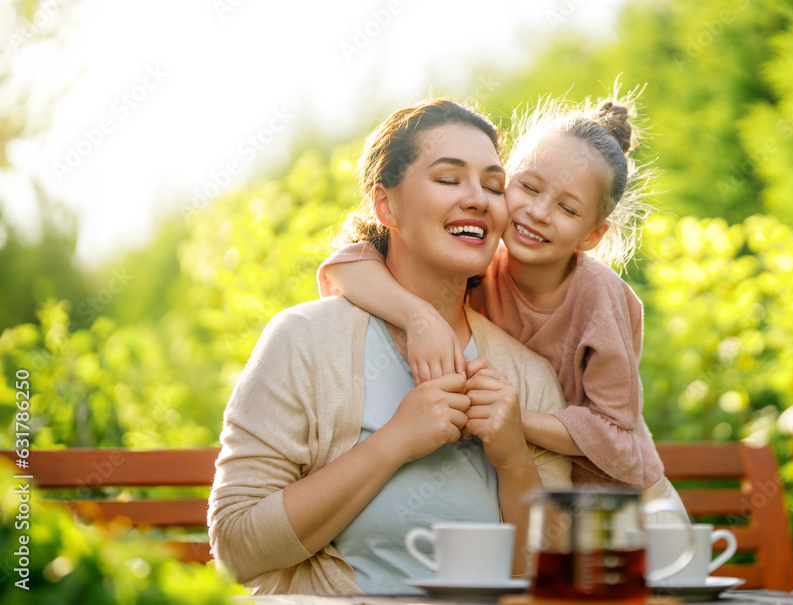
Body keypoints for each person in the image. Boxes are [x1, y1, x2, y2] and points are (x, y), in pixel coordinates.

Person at [208, 98, 571, 596]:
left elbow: (555, 581)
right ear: (386, 205)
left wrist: (512, 458)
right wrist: (395, 442)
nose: (479, 199)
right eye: (448, 179)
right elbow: (237, 549)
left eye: (493, 185)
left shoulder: (527, 375)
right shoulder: (305, 341)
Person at [318, 94, 689, 521]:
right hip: (544, 492)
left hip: (628, 508)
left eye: (567, 208)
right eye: (528, 187)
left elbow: (618, 440)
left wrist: (514, 420)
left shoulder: (598, 297)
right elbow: (346, 266)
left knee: (665, 591)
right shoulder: (480, 261)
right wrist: (418, 318)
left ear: (591, 236)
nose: (538, 212)